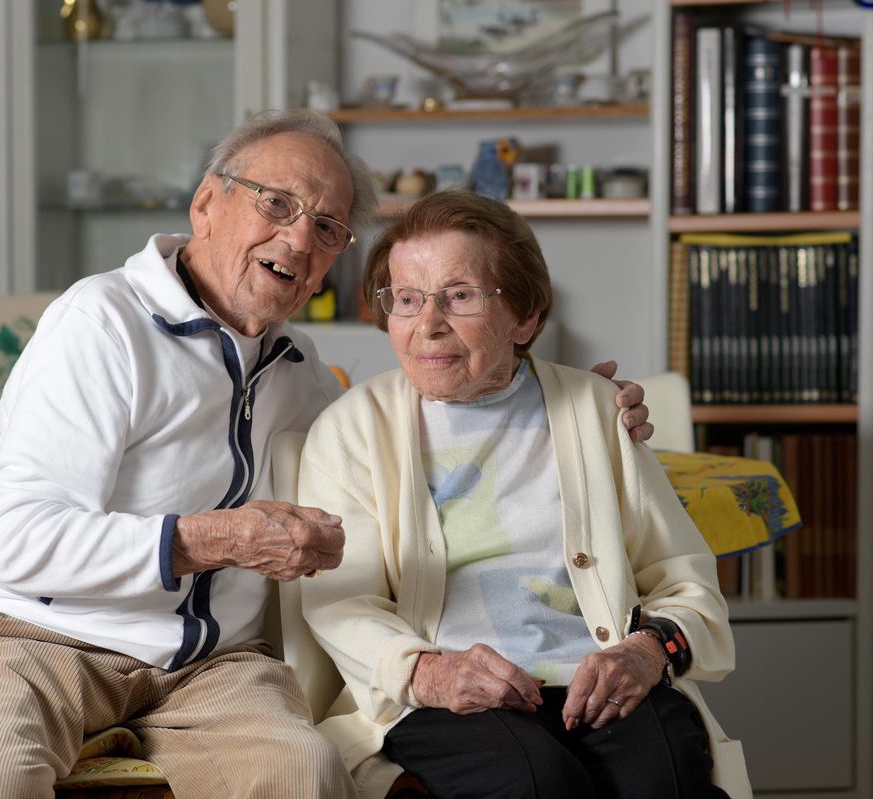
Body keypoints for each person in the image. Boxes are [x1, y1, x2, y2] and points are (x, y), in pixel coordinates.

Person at [0, 111, 654, 799]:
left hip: (208, 666)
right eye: (276, 204)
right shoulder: (101, 323)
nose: (299, 239)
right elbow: (21, 539)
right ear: (206, 203)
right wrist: (220, 536)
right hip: (30, 636)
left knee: (304, 772)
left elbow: (402, 442)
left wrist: (557, 404)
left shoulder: (295, 364)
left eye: (328, 227)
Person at [298, 189, 751, 799]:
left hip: (601, 680)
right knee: (535, 784)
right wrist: (429, 673)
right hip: (445, 696)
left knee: (663, 778)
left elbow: (682, 578)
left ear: (526, 318)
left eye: (459, 296)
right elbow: (340, 602)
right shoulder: (352, 430)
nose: (427, 324)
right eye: (406, 299)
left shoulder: (595, 409)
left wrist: (647, 650)